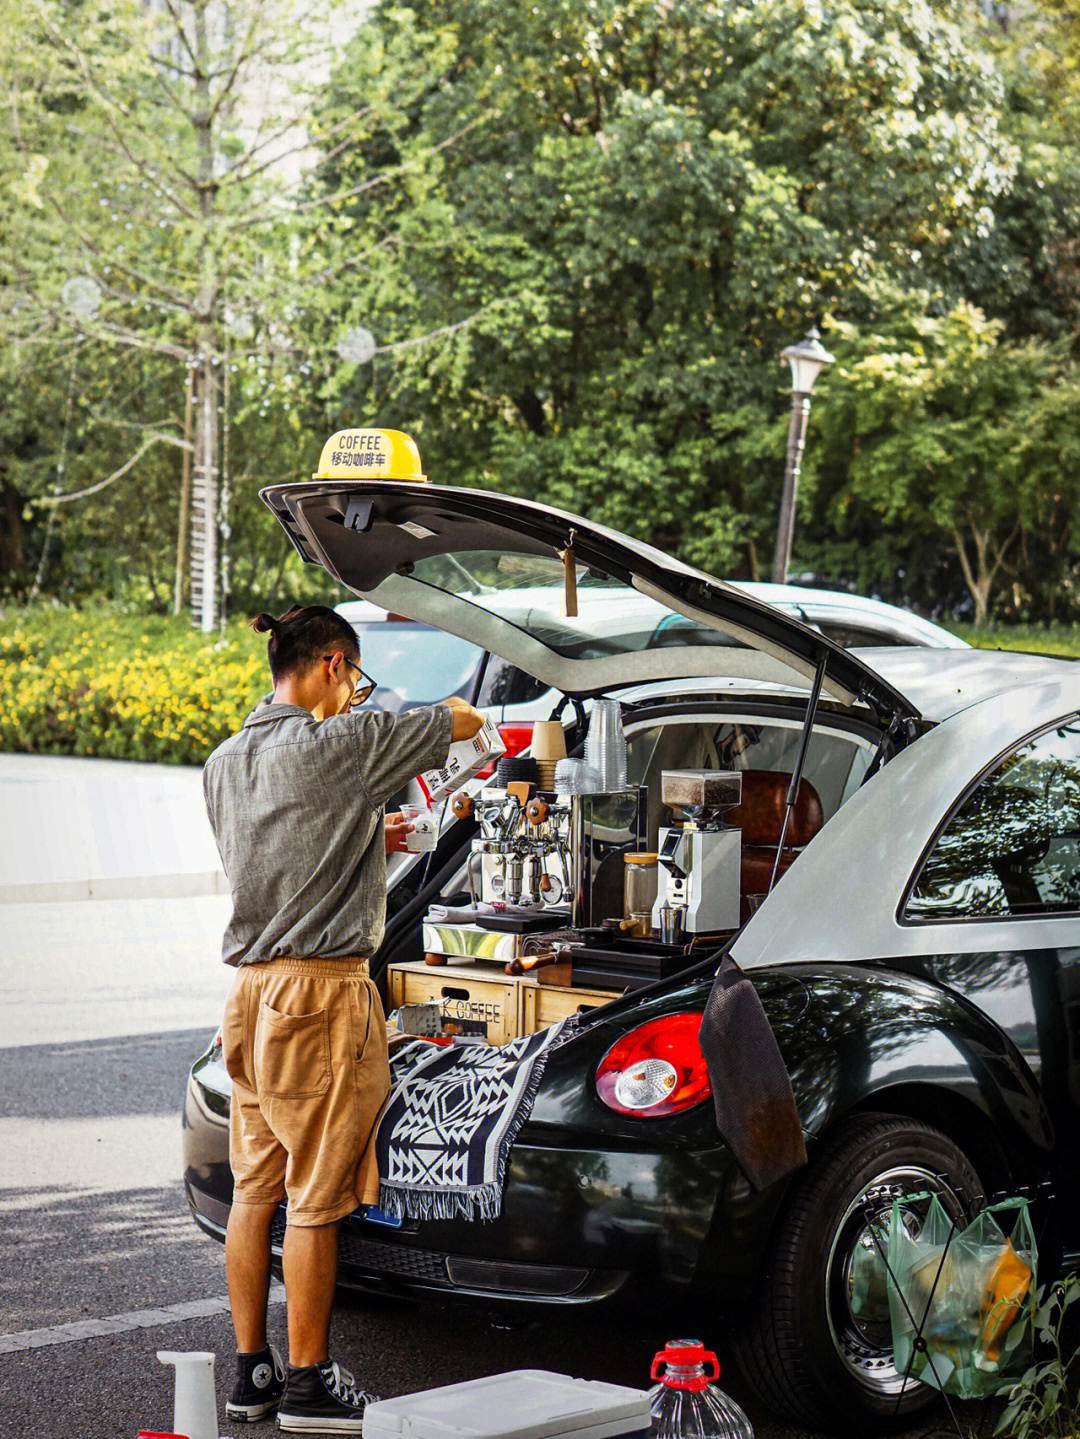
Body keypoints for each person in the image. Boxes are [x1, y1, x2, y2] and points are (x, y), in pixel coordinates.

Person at [202, 603, 484, 1434]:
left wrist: (372, 834)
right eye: (352, 679)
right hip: (321, 996)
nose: (354, 694)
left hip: (250, 998)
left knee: (256, 1190)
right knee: (316, 1199)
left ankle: (252, 1372)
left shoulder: (224, 762)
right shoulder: (339, 743)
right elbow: (459, 718)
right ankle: (310, 1383)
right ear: (330, 665)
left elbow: (288, 857)